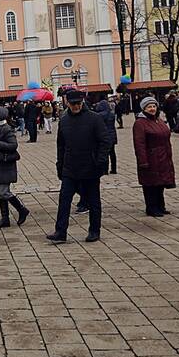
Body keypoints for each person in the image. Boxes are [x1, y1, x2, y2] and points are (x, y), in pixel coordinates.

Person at [47, 89, 109, 244]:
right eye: (73, 104)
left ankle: (94, 230)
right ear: (67, 103)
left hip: (90, 166)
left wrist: (99, 161)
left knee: (93, 201)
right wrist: (60, 165)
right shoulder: (64, 119)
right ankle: (60, 231)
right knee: (64, 200)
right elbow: (61, 145)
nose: (76, 106)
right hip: (70, 167)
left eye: (78, 103)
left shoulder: (94, 118)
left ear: (83, 102)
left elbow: (104, 141)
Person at [0, 107, 30, 228]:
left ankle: (22, 209)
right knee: (0, 193)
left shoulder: (6, 129)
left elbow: (13, 145)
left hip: (5, 164)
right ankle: (5, 218)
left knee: (4, 192)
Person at [133, 98, 176, 217]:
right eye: (149, 107)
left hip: (163, 156)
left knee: (160, 183)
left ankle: (160, 206)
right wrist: (143, 161)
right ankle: (151, 207)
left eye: (154, 106)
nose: (152, 109)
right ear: (144, 109)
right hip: (150, 157)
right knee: (150, 184)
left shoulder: (159, 120)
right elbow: (139, 143)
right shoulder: (140, 123)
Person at [94, 99, 118, 174]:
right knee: (112, 153)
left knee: (105, 153)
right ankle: (114, 169)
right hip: (112, 135)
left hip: (104, 136)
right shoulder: (112, 114)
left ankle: (105, 170)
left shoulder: (99, 116)